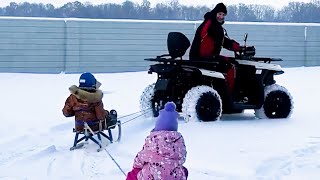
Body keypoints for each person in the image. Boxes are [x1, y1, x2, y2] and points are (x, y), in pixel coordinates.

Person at [126, 102, 188, 180]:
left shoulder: (153, 141)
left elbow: (140, 158)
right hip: (174, 176)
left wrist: (136, 167)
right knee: (184, 171)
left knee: (133, 174)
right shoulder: (179, 143)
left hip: (151, 175)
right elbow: (182, 158)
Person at [189, 2, 241, 94]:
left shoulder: (210, 23)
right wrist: (238, 48)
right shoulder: (212, 25)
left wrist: (237, 47)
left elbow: (222, 41)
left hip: (201, 57)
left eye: (223, 15)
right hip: (203, 57)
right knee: (232, 65)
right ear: (215, 13)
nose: (221, 17)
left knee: (226, 62)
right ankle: (230, 95)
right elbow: (221, 40)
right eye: (219, 14)